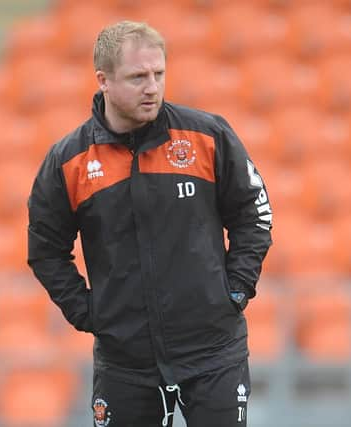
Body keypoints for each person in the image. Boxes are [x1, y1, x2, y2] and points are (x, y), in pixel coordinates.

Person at [27, 20, 272, 427]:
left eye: (159, 74)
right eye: (138, 77)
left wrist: (235, 289)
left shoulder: (206, 137)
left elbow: (254, 215)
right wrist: (89, 313)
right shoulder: (68, 161)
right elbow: (45, 250)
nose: (152, 87)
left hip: (213, 353)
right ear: (103, 80)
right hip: (125, 364)